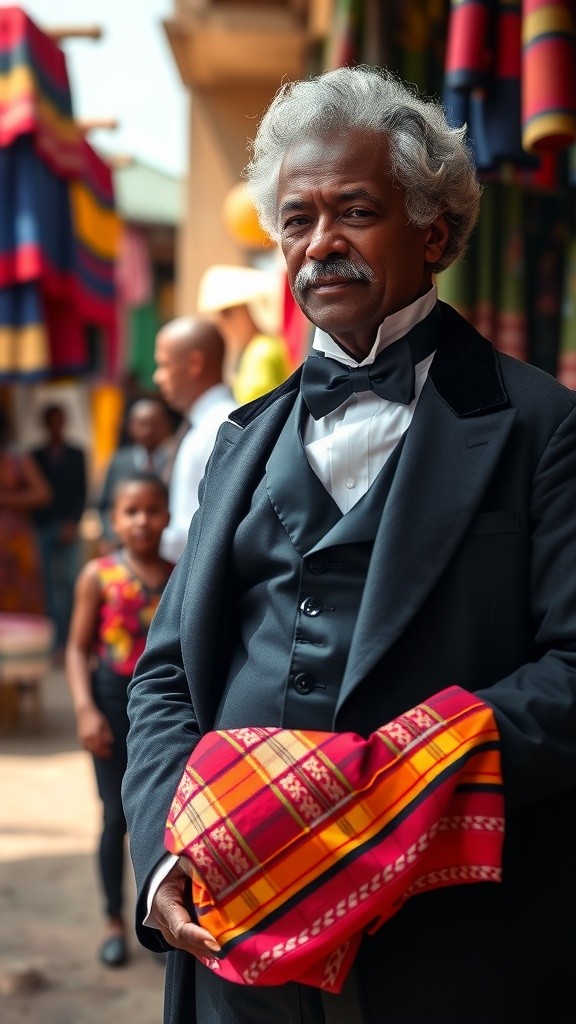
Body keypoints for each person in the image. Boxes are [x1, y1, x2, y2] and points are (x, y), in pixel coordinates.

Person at [123, 66, 576, 1024]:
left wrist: (394, 783)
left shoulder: (543, 427)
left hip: (448, 947)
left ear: (434, 233)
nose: (320, 243)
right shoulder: (241, 439)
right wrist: (165, 850)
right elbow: (163, 678)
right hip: (234, 945)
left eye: (356, 212)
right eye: (298, 220)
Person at [65, 472, 174, 967]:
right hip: (111, 702)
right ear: (114, 519)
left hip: (164, 710)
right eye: (131, 511)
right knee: (116, 816)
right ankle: (113, 921)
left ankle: (156, 917)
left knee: (162, 817)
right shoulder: (99, 576)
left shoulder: (180, 574)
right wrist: (85, 709)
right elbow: (77, 648)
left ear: (167, 516)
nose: (142, 521)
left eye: (152, 510)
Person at [152, 316, 236, 563]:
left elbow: (189, 532)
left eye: (163, 365)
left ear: (194, 364)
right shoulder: (209, 425)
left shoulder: (218, 428)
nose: (157, 378)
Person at [31, 404, 87, 650]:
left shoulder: (77, 454)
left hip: (67, 527)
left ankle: (66, 639)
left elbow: (82, 492)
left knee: (67, 583)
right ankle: (52, 640)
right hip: (43, 527)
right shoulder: (35, 454)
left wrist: (72, 522)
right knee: (46, 585)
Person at [196, 263, 291, 403]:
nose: (220, 321)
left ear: (252, 310)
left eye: (226, 312)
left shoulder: (262, 350)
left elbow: (256, 408)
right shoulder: (260, 347)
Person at [97, 397, 175, 552]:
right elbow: (105, 505)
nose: (148, 431)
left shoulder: (176, 460)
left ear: (167, 426)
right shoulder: (119, 462)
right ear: (130, 427)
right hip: (124, 548)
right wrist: (112, 536)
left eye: (154, 424)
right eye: (142, 424)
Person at [0, 404, 51, 615]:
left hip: (14, 541)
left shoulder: (16, 461)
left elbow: (43, 494)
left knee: (18, 596)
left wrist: (7, 500)